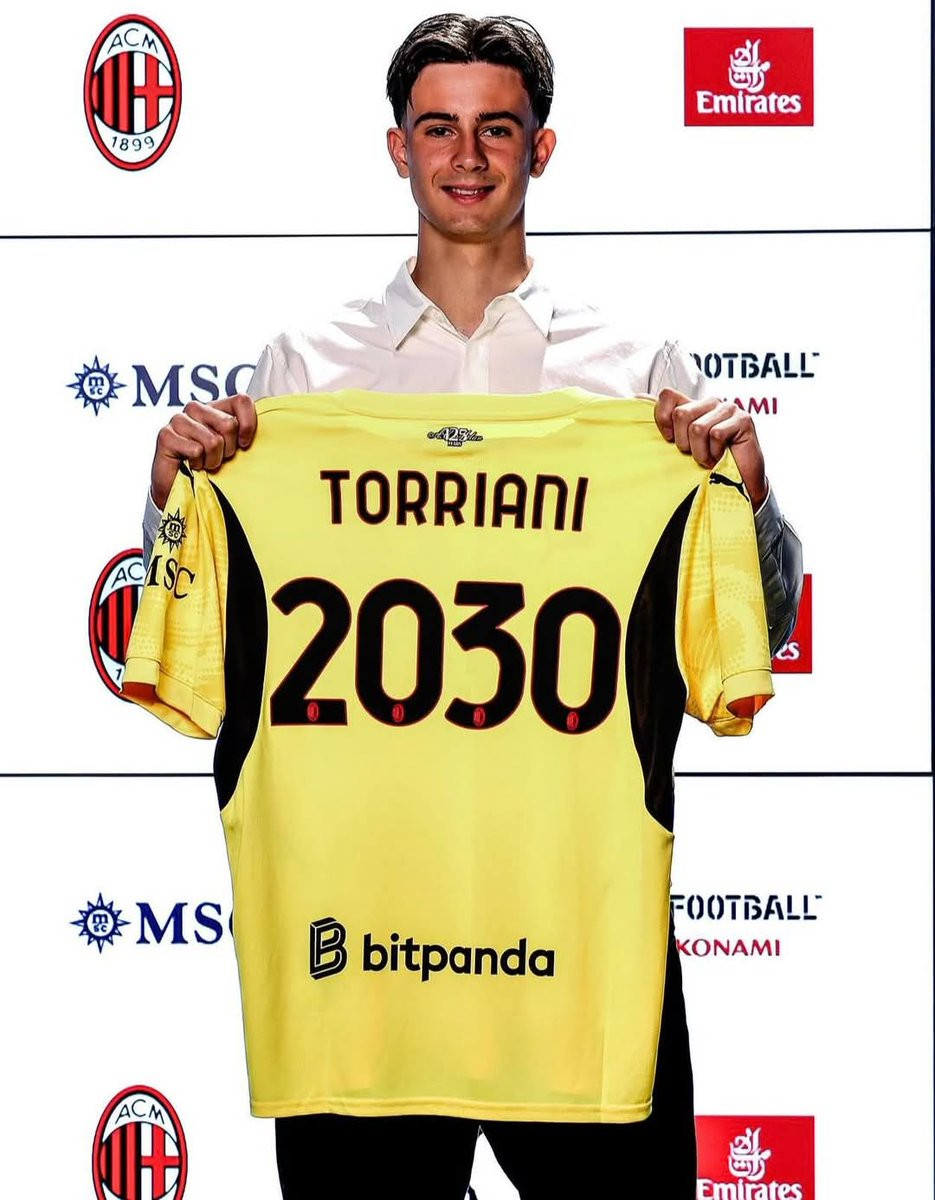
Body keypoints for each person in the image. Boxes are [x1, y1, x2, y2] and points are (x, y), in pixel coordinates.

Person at [140, 15, 802, 1199]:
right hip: (362, 958)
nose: (465, 156)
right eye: (437, 128)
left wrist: (745, 493)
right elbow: (216, 651)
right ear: (396, 148)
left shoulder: (636, 375)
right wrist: (169, 504)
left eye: (495, 129)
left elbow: (762, 632)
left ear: (538, 149)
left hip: (575, 945)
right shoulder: (301, 372)